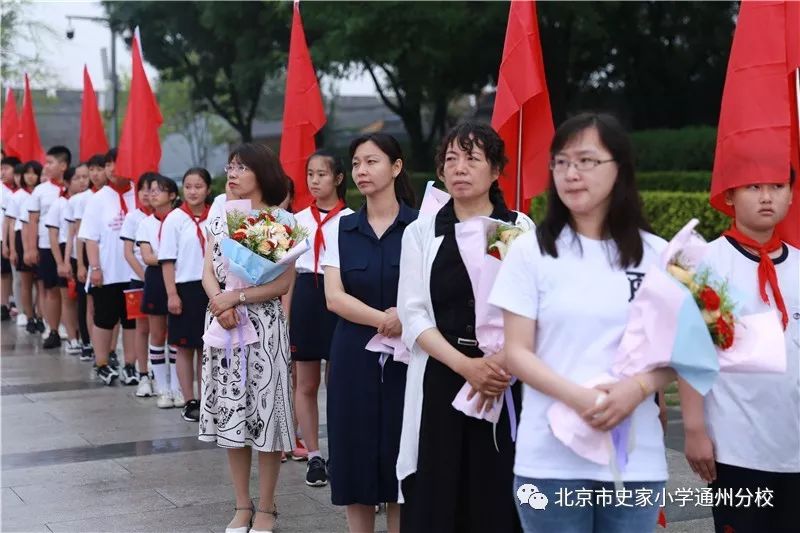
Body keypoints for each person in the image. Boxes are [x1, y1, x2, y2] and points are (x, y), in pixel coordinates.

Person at [489, 113, 676, 533]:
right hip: (550, 458)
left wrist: (636, 389)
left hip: (633, 457)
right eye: (561, 162)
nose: (571, 173)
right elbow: (517, 352)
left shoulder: (658, 255)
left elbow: (682, 349)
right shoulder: (530, 251)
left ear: (620, 169)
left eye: (587, 161)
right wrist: (581, 399)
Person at [396, 122, 533, 533]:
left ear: (495, 172)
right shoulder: (425, 231)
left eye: (472, 158)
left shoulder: (513, 228)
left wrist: (498, 363)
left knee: (498, 489)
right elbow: (414, 314)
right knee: (439, 489)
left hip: (504, 375)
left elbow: (531, 307)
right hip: (443, 374)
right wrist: (465, 366)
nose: (458, 168)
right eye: (450, 159)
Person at [679, 170, 799, 533]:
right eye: (753, 186)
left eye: (777, 186)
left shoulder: (798, 262)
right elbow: (691, 350)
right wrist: (694, 429)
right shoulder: (703, 263)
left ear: (792, 196)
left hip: (793, 445)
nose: (767, 196)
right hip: (736, 448)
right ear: (729, 196)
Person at [322, 133, 418, 533]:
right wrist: (385, 318)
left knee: (403, 457)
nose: (361, 170)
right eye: (357, 163)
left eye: (372, 162)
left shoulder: (421, 227)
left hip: (410, 355)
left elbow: (431, 291)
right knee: (354, 455)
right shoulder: (339, 228)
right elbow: (334, 297)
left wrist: (407, 317)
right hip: (353, 354)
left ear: (396, 167)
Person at [200, 143, 295, 533]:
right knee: (232, 415)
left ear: (262, 172)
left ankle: (268, 508)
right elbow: (209, 270)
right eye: (231, 166)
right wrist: (220, 304)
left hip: (265, 326)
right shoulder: (219, 215)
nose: (233, 173)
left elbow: (285, 282)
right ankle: (242, 505)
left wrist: (238, 296)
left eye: (242, 167)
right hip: (224, 324)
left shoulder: (281, 220)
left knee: (267, 417)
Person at [290, 150, 353, 484]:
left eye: (322, 174)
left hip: (339, 297)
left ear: (339, 178)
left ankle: (341, 452)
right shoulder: (297, 220)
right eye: (310, 174)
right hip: (305, 296)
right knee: (306, 381)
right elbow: (285, 275)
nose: (314, 181)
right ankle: (314, 455)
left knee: (339, 381)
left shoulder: (353, 219)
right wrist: (286, 317)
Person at [78, 147, 137, 385]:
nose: (112, 169)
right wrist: (95, 268)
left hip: (134, 273)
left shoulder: (139, 193)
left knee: (131, 321)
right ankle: (101, 362)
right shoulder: (98, 198)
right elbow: (90, 238)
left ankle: (131, 364)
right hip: (108, 272)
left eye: (117, 163)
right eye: (109, 164)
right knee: (104, 319)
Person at [159, 167, 212, 422]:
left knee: (207, 347)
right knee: (185, 347)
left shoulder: (218, 215)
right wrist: (172, 294)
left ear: (208, 189)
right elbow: (167, 260)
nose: (192, 191)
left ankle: (207, 400)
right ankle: (189, 399)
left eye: (198, 186)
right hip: (185, 287)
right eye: (188, 186)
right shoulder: (174, 219)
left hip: (212, 288)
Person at [24, 146, 72, 349]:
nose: (47, 166)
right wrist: (30, 248)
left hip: (70, 246)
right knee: (50, 289)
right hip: (46, 245)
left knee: (69, 292)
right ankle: (53, 329)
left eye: (51, 162)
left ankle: (72, 331)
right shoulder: (41, 191)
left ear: (63, 165)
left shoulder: (74, 187)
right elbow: (32, 221)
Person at [136, 175, 179, 400]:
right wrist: (172, 256)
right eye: (151, 190)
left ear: (172, 195)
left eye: (159, 190)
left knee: (177, 335)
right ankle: (162, 386)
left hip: (178, 277)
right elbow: (147, 257)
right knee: (157, 333)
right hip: (155, 279)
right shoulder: (145, 223)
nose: (152, 194)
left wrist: (164, 256)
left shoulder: (180, 219)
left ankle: (177, 386)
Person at [45, 164, 88, 354]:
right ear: (68, 182)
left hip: (87, 249)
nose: (82, 181)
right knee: (68, 298)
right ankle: (72, 338)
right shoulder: (60, 204)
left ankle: (86, 336)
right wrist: (61, 262)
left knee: (85, 301)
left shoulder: (90, 200)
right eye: (77, 178)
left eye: (84, 177)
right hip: (66, 250)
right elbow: (53, 236)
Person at [72, 153, 111, 361]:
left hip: (108, 256)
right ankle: (90, 343)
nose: (95, 174)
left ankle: (109, 350)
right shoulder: (83, 199)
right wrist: (80, 263)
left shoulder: (114, 196)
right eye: (92, 171)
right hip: (89, 256)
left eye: (99, 169)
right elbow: (80, 236)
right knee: (90, 304)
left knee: (110, 309)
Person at [120, 173, 156, 396]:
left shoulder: (170, 216)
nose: (146, 194)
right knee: (141, 328)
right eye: (142, 189)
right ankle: (143, 374)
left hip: (163, 278)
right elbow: (128, 253)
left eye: (152, 190)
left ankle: (162, 374)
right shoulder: (133, 218)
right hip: (140, 279)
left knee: (163, 329)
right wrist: (144, 276)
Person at [6, 161, 43, 333]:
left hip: (40, 238)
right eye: (26, 173)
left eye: (34, 173)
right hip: (22, 238)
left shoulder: (41, 193)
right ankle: (29, 316)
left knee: (42, 283)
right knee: (26, 282)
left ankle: (41, 316)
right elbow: (12, 223)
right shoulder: (17, 196)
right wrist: (12, 248)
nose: (30, 176)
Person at [1, 156, 21, 321]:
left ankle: (17, 305)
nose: (3, 172)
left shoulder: (19, 192)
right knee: (4, 273)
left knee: (17, 274)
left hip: (18, 237)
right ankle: (4, 304)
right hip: (3, 237)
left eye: (6, 168)